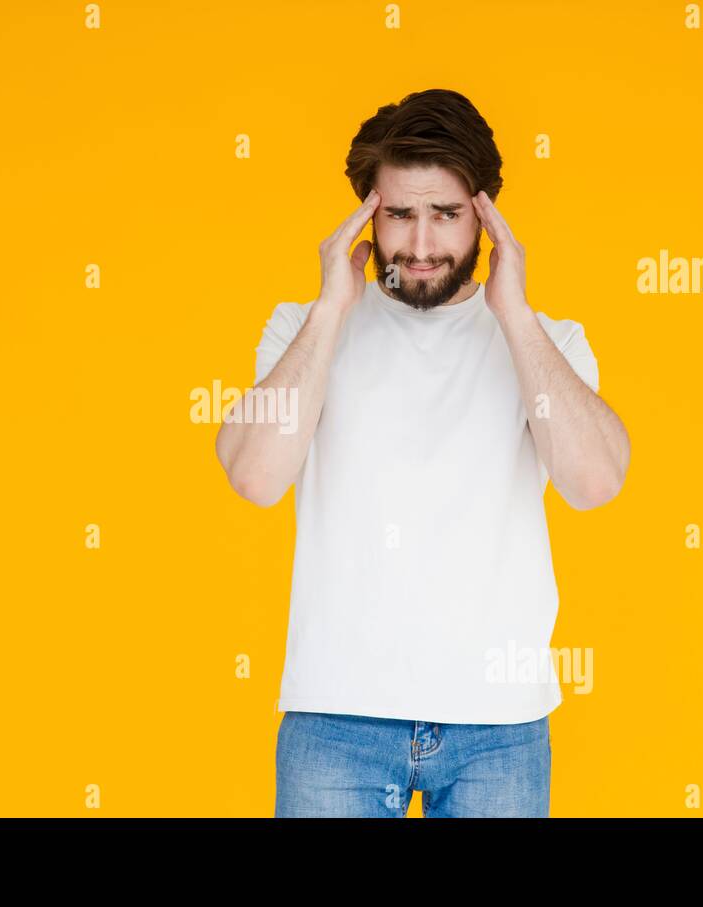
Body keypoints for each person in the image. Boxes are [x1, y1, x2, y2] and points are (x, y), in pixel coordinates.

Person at [214, 89, 631, 818]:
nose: (421, 244)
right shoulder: (304, 330)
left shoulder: (547, 342)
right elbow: (253, 474)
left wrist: (514, 312)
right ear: (366, 213)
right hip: (334, 718)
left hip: (498, 727)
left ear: (486, 213)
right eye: (399, 214)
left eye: (446, 214)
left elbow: (596, 482)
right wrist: (329, 309)